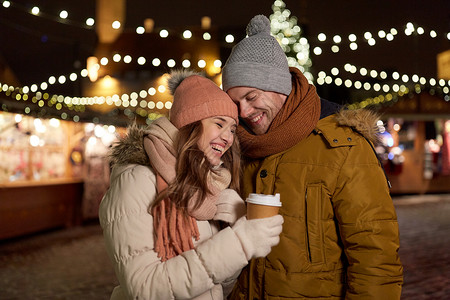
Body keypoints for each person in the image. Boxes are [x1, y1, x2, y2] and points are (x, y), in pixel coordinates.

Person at [221, 15, 403, 299]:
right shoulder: (237, 147)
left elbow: (375, 257)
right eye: (235, 103)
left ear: (278, 85)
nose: (244, 112)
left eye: (251, 96)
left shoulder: (343, 146)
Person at [99, 70, 284, 300]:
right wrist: (239, 243)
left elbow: (218, 287)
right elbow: (144, 288)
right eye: (219, 124)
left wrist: (235, 227)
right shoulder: (137, 180)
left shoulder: (207, 186)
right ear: (191, 123)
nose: (228, 138)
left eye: (232, 129)